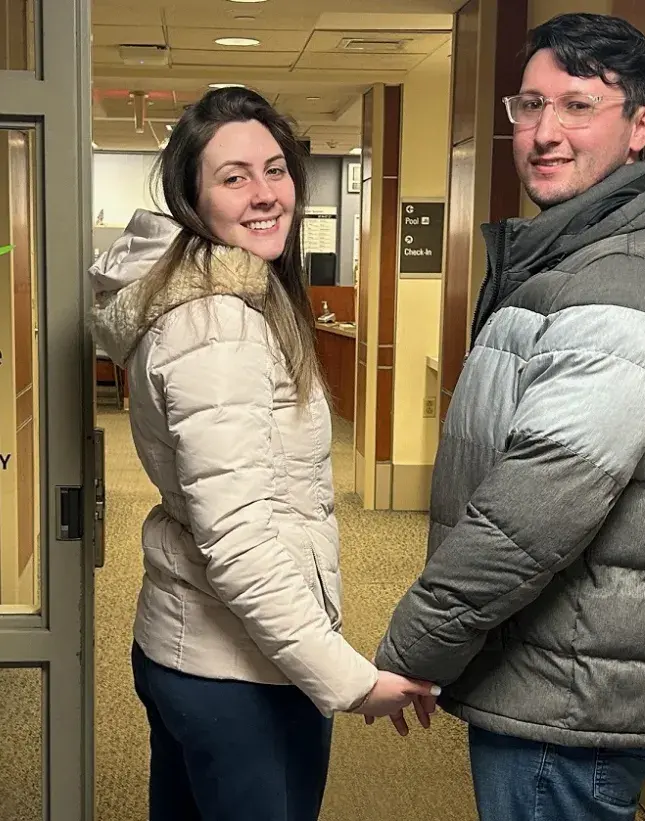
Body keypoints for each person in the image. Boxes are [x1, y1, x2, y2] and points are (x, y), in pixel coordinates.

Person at [374, 12, 645, 821]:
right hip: (566, 669)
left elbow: (540, 499)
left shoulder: (633, 269)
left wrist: (418, 644)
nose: (545, 132)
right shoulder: (575, 250)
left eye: (579, 106)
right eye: (531, 105)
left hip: (572, 689)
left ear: (640, 126)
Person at [89, 87, 439, 821]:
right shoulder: (218, 324)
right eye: (233, 177)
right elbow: (241, 539)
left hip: (194, 649)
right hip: (239, 673)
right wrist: (350, 681)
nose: (265, 194)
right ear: (191, 199)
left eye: (275, 170)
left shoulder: (228, 297)